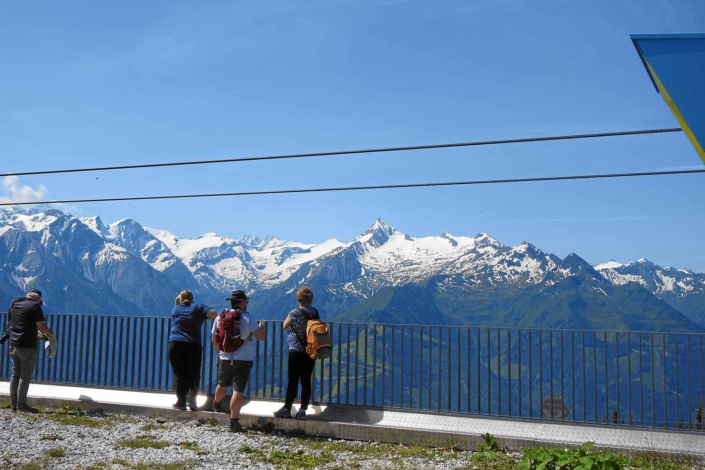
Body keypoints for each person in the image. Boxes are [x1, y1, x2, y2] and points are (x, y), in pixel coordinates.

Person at [211, 289, 266, 432]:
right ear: (242, 302)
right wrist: (261, 328)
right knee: (238, 390)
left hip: (224, 357)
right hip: (243, 359)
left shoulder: (220, 317)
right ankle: (234, 422)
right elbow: (261, 337)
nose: (247, 303)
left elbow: (214, 339)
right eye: (246, 301)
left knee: (222, 384)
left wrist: (220, 354)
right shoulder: (247, 318)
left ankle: (216, 405)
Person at [273, 286, 319, 420]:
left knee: (293, 381)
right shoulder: (314, 312)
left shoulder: (294, 313)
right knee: (306, 381)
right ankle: (303, 410)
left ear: (299, 299)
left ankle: (287, 408)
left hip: (296, 351)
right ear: (310, 299)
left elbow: (284, 325)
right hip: (310, 351)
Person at [8, 288, 57, 413]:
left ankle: (13, 404)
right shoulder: (35, 307)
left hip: (13, 343)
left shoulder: (16, 303)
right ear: (38, 298)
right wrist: (51, 334)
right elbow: (41, 327)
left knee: (15, 374)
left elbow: (11, 322)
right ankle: (22, 404)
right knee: (25, 376)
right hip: (27, 345)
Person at [168, 289, 217, 411]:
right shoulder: (198, 307)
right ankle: (192, 400)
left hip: (175, 344)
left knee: (179, 373)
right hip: (192, 344)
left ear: (180, 298)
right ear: (192, 298)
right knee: (194, 373)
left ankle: (181, 401)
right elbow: (214, 314)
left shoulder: (175, 310)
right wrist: (202, 318)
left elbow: (178, 305)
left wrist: (177, 300)